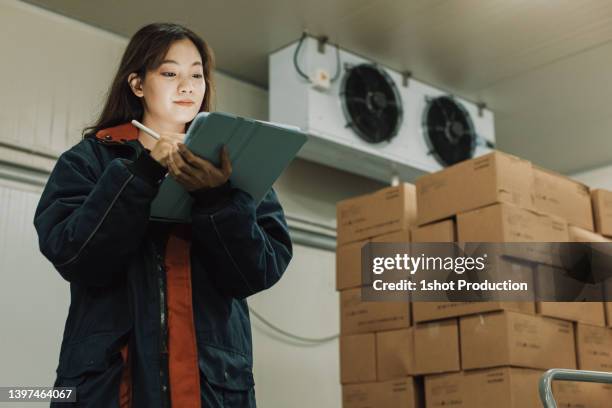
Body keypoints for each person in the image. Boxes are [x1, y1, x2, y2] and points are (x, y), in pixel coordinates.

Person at [33, 22, 293, 408]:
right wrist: (142, 173)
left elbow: (259, 271)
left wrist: (218, 199)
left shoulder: (235, 167)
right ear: (137, 84)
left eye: (196, 75)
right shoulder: (89, 161)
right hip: (110, 388)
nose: (187, 86)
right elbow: (75, 255)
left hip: (213, 389)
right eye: (170, 73)